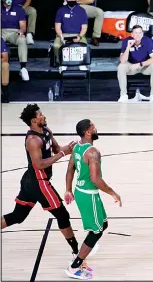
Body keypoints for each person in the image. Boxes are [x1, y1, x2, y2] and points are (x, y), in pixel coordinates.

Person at [1, 104, 80, 260]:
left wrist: (71, 147)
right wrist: (64, 153)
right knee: (62, 215)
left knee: (18, 216)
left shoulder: (46, 131)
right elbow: (40, 164)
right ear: (33, 120)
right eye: (40, 114)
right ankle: (76, 251)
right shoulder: (32, 140)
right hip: (39, 182)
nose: (43, 116)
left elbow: (57, 149)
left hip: (30, 181)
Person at [64, 119, 122, 279]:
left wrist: (68, 190)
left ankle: (80, 258)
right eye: (93, 127)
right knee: (96, 231)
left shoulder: (76, 148)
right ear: (88, 132)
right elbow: (95, 179)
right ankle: (75, 266)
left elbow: (70, 170)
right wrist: (113, 193)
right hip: (89, 194)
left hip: (81, 191)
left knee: (103, 224)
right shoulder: (92, 152)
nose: (96, 128)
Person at [117, 25, 153, 103]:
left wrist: (140, 64)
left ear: (142, 34)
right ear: (132, 35)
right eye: (136, 33)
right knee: (121, 67)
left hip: (144, 66)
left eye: (140, 33)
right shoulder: (126, 41)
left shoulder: (148, 41)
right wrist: (128, 47)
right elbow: (122, 60)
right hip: (131, 66)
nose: (138, 35)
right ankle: (123, 95)